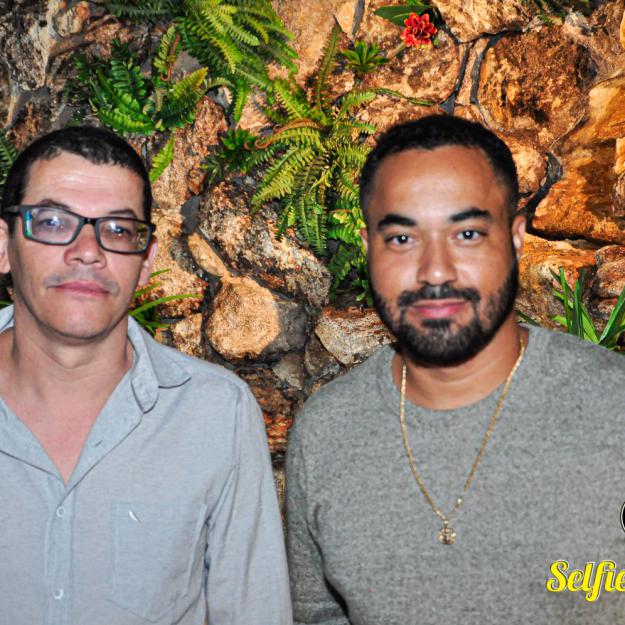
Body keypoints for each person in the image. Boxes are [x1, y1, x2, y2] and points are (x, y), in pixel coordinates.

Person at [286, 114, 625, 624]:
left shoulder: (613, 409)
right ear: (368, 248)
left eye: (466, 233)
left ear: (515, 238)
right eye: (402, 239)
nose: (435, 271)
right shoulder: (325, 432)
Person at [0, 126, 291, 625]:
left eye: (117, 229)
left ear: (146, 261)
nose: (87, 250)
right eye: (52, 222)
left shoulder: (216, 414)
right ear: (4, 246)